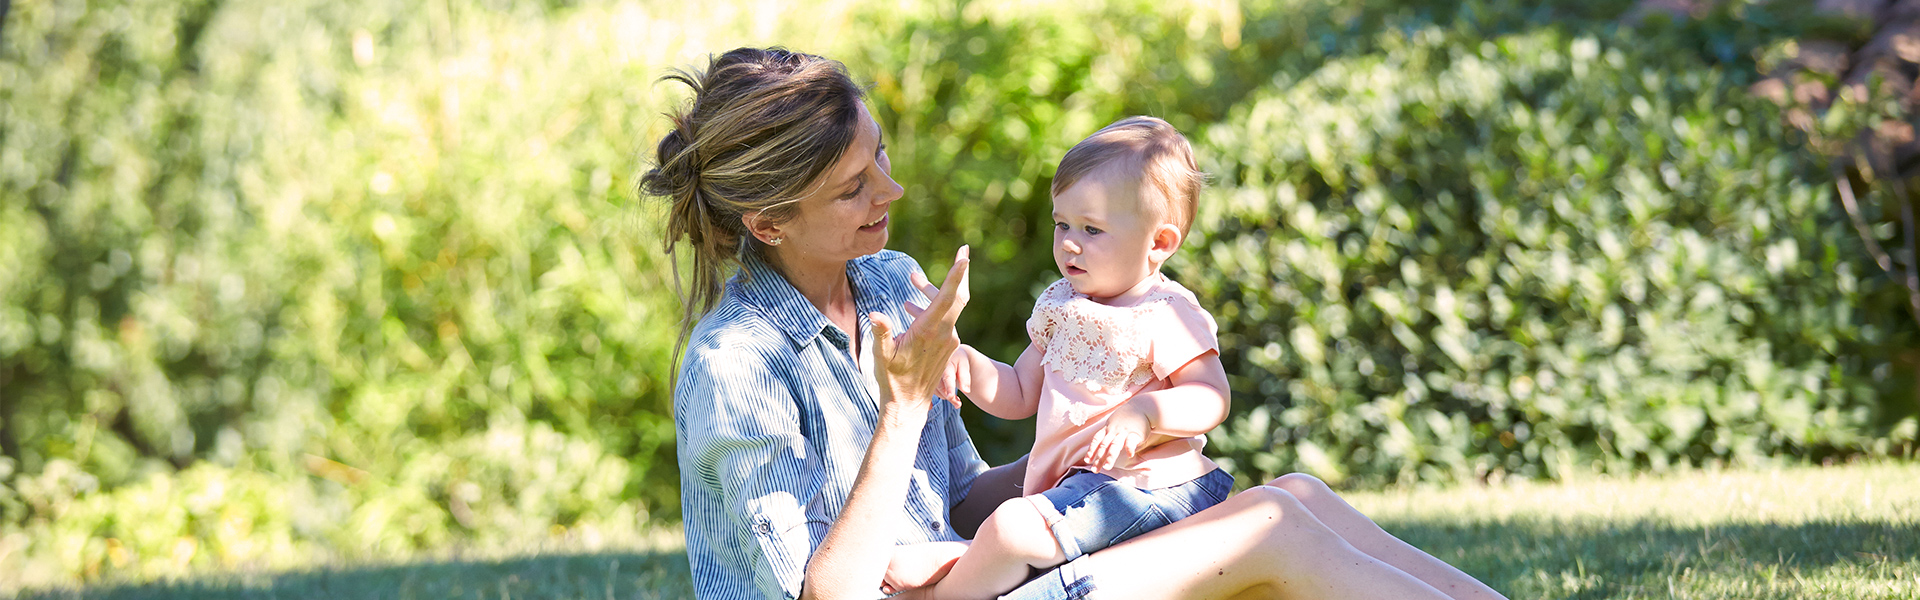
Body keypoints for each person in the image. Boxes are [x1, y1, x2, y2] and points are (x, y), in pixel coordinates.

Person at [646, 46, 1510, 600]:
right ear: (768, 223)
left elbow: (953, 501)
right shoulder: (737, 366)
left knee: (1290, 497)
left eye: (880, 158)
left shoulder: (888, 284)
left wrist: (1094, 448)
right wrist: (904, 407)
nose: (891, 192)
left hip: (977, 575)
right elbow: (825, 596)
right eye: (854, 186)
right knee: (1271, 532)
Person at [884, 117, 1233, 600]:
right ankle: (971, 556)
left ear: (1159, 243)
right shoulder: (1061, 305)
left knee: (1011, 528)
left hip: (1150, 488)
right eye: (1062, 223)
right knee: (1018, 528)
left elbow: (1212, 396)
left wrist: (1146, 413)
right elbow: (1018, 392)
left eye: (1092, 229)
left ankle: (942, 585)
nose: (1069, 242)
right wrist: (962, 361)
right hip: (1079, 495)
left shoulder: (1165, 311)